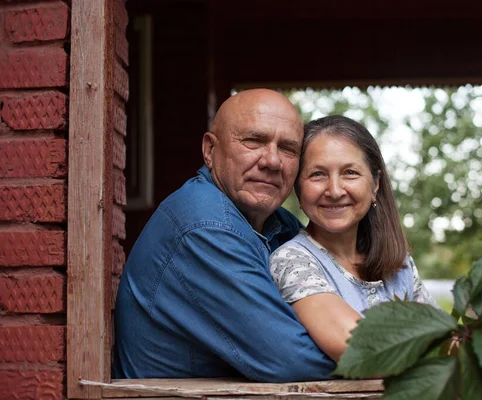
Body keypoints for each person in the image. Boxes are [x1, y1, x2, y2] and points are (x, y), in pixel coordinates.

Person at [113, 89, 336, 382]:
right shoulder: (205, 224)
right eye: (253, 141)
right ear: (209, 151)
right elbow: (291, 359)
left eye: (288, 149)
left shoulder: (280, 225)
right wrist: (390, 353)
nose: (272, 161)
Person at [270, 115, 437, 362]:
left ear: (376, 184)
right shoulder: (291, 261)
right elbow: (367, 350)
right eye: (317, 174)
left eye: (350, 173)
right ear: (298, 187)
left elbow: (445, 336)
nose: (335, 191)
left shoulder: (400, 264)